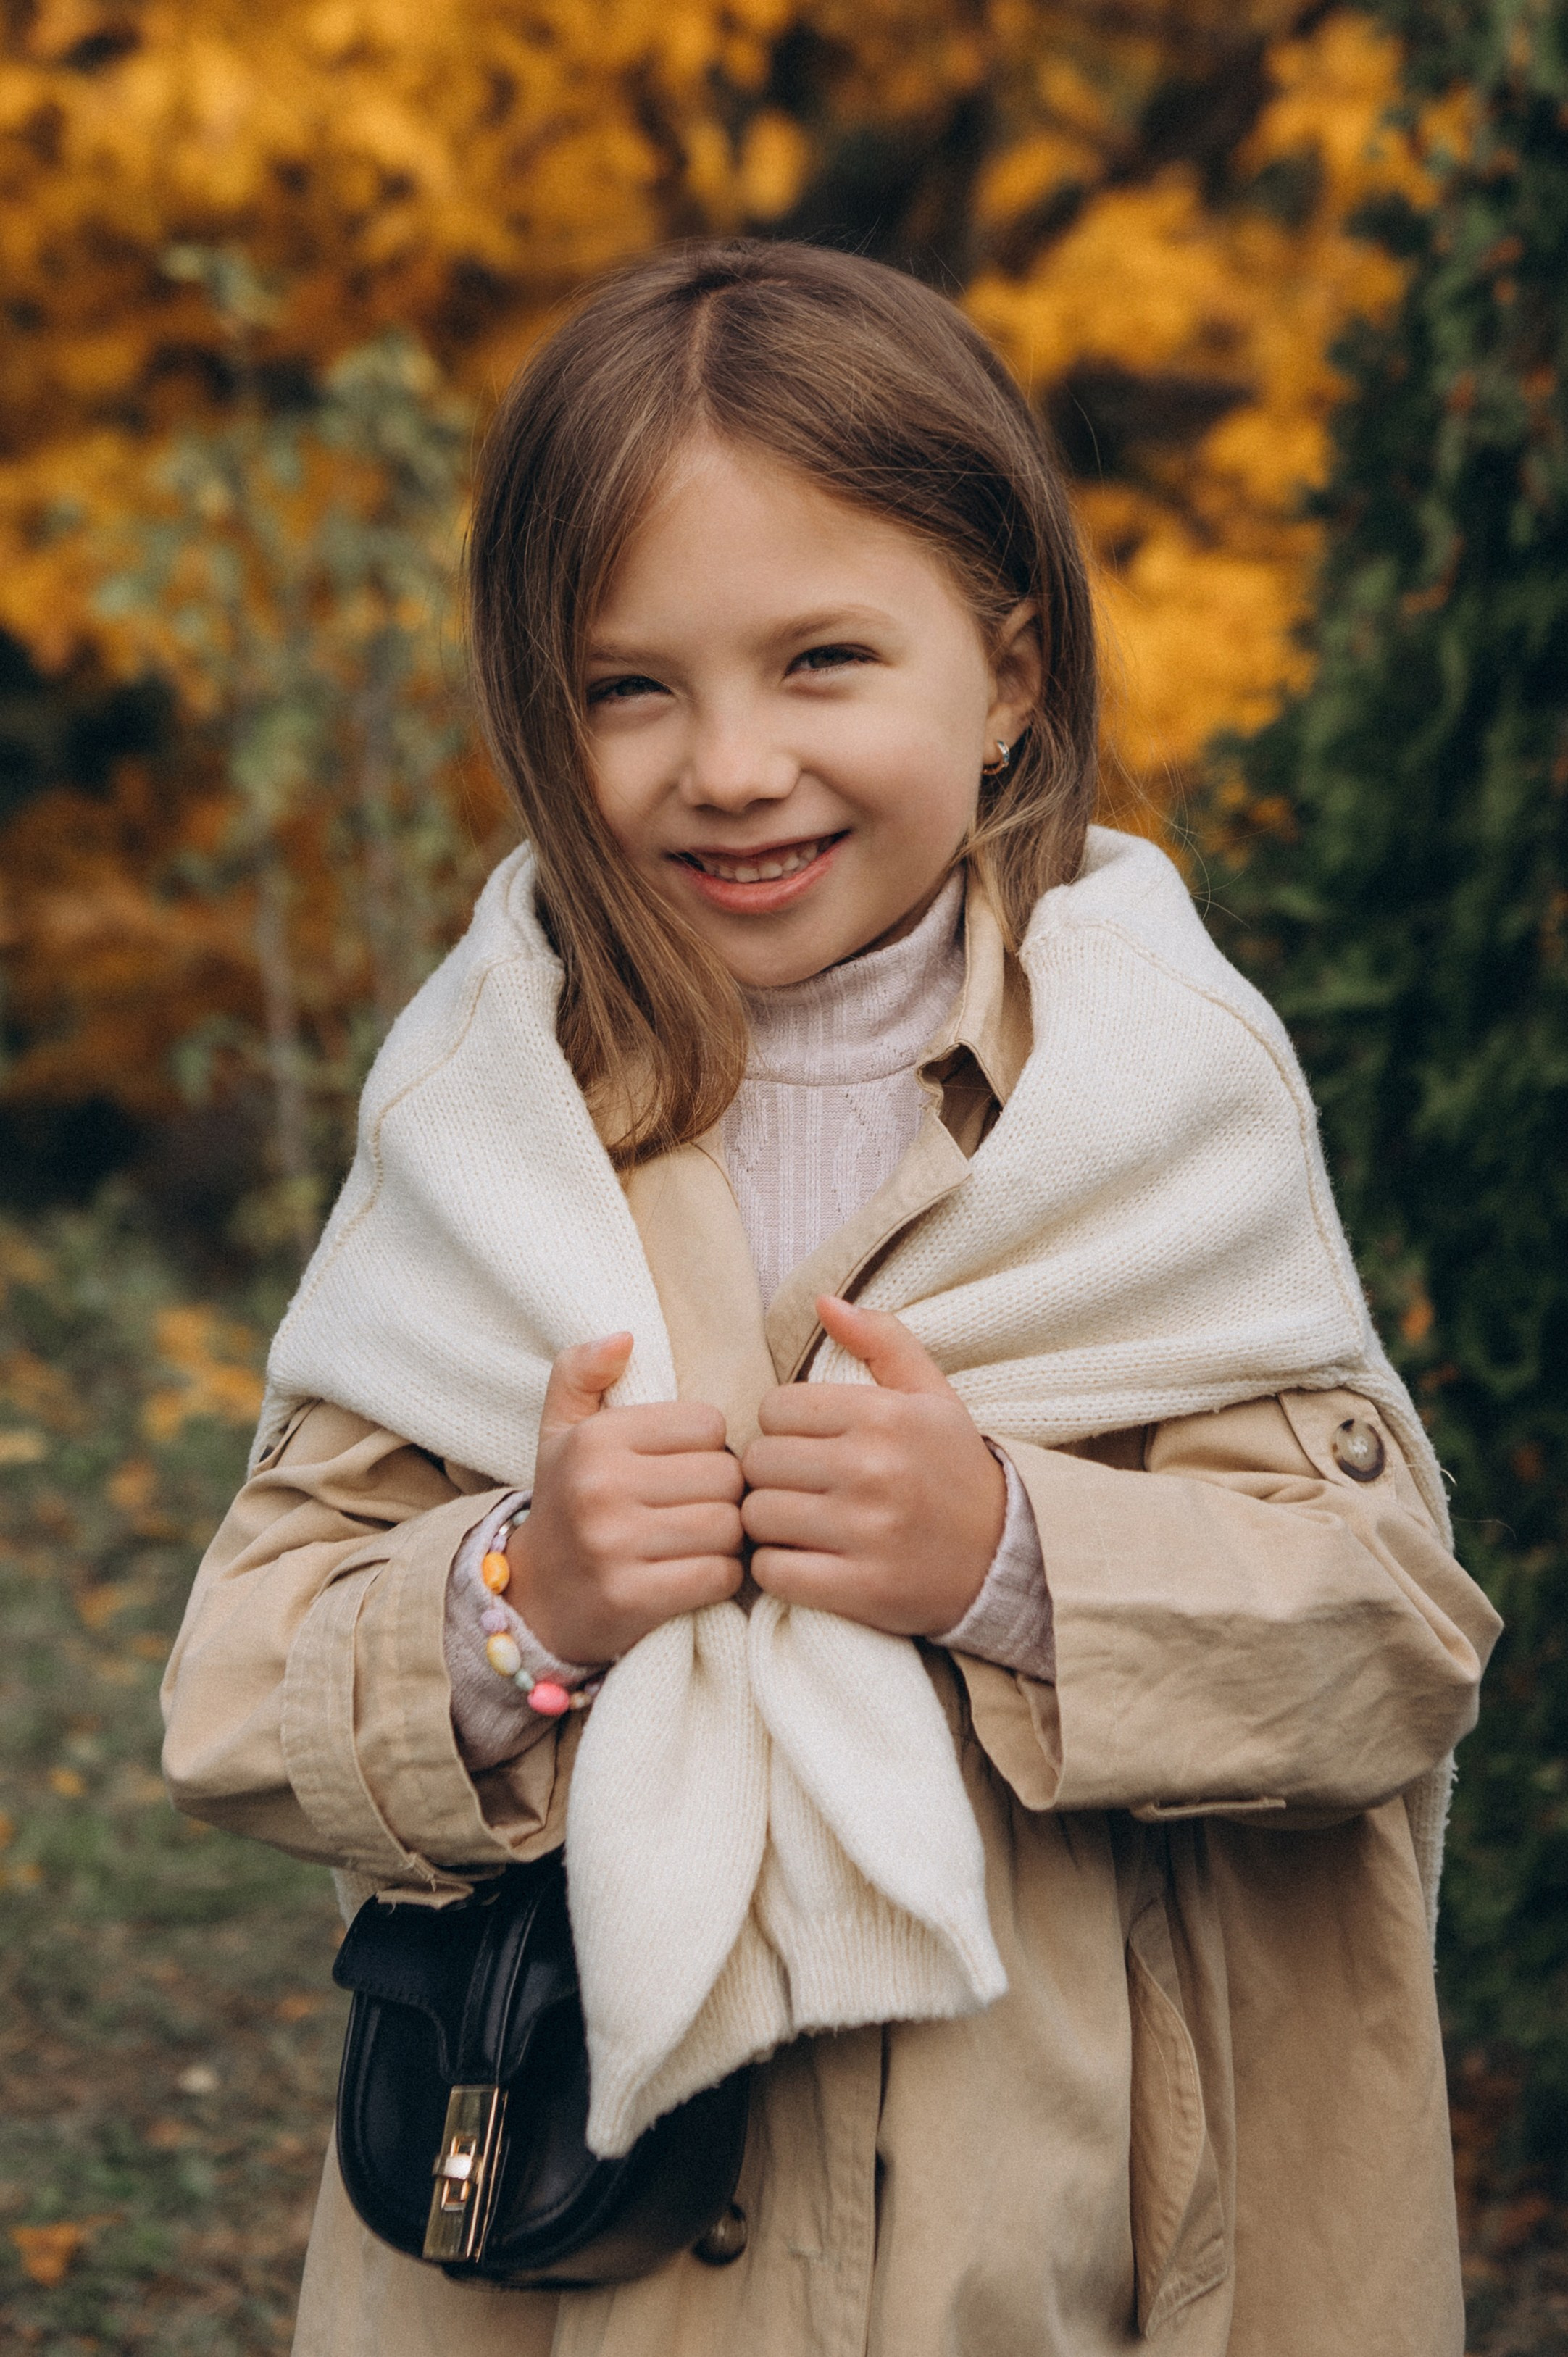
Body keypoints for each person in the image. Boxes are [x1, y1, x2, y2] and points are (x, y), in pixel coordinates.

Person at [161, 240, 1500, 2357]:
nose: (728, 763)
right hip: (567, 2273)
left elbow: (1383, 1653)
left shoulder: (1148, 1104)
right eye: (628, 686)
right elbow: (240, 1695)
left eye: (820, 662)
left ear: (1010, 676)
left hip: (1068, 2266)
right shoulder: (487, 1129)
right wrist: (523, 1599)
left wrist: (1012, 1556)